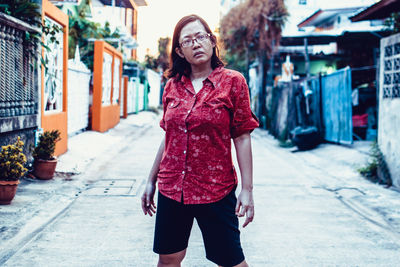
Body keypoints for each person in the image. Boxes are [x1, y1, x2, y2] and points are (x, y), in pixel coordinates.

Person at [141, 14, 259, 267]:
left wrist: (247, 190)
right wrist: (150, 180)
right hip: (173, 189)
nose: (196, 44)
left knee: (232, 261)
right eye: (187, 41)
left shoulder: (233, 82)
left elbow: (242, 136)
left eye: (200, 37)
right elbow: (169, 137)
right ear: (180, 51)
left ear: (212, 40)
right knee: (168, 259)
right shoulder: (172, 86)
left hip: (216, 189)